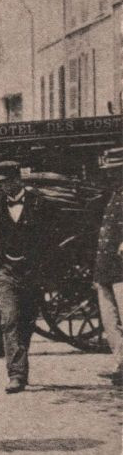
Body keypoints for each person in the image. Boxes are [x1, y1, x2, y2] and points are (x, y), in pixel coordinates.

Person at [0, 159, 49, 394]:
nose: (0, 187)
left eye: (4, 182)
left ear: (17, 180)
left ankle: (20, 366)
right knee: (8, 319)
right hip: (3, 272)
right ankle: (16, 374)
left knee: (26, 321)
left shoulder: (40, 203)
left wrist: (42, 268)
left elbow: (50, 238)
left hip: (31, 272)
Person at [93, 147, 123, 385]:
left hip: (121, 267)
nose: (112, 176)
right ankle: (120, 362)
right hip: (106, 267)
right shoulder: (114, 195)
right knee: (110, 319)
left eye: (116, 171)